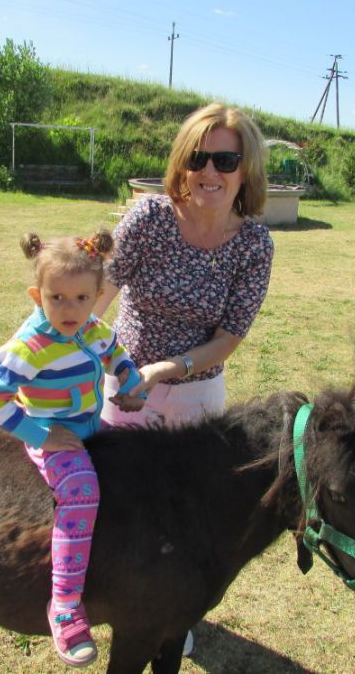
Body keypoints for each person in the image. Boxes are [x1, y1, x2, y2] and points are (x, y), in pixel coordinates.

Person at [94, 102, 274, 655]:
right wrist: (69, 348)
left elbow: (229, 337)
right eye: (199, 158)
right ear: (182, 162)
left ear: (246, 169)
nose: (209, 171)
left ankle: (174, 611)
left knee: (191, 511)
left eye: (225, 160)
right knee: (118, 500)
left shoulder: (255, 245)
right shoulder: (149, 219)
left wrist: (168, 369)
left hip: (197, 392)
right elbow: (98, 293)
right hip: (126, 384)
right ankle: (114, 599)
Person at [0, 230, 146, 668]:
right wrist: (40, 436)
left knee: (139, 463)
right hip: (55, 435)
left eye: (81, 299)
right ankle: (66, 604)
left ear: (98, 296)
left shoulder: (91, 327)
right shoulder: (30, 347)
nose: (70, 310)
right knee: (81, 492)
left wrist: (129, 378)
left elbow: (114, 350)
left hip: (91, 426)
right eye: (57, 298)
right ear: (37, 296)